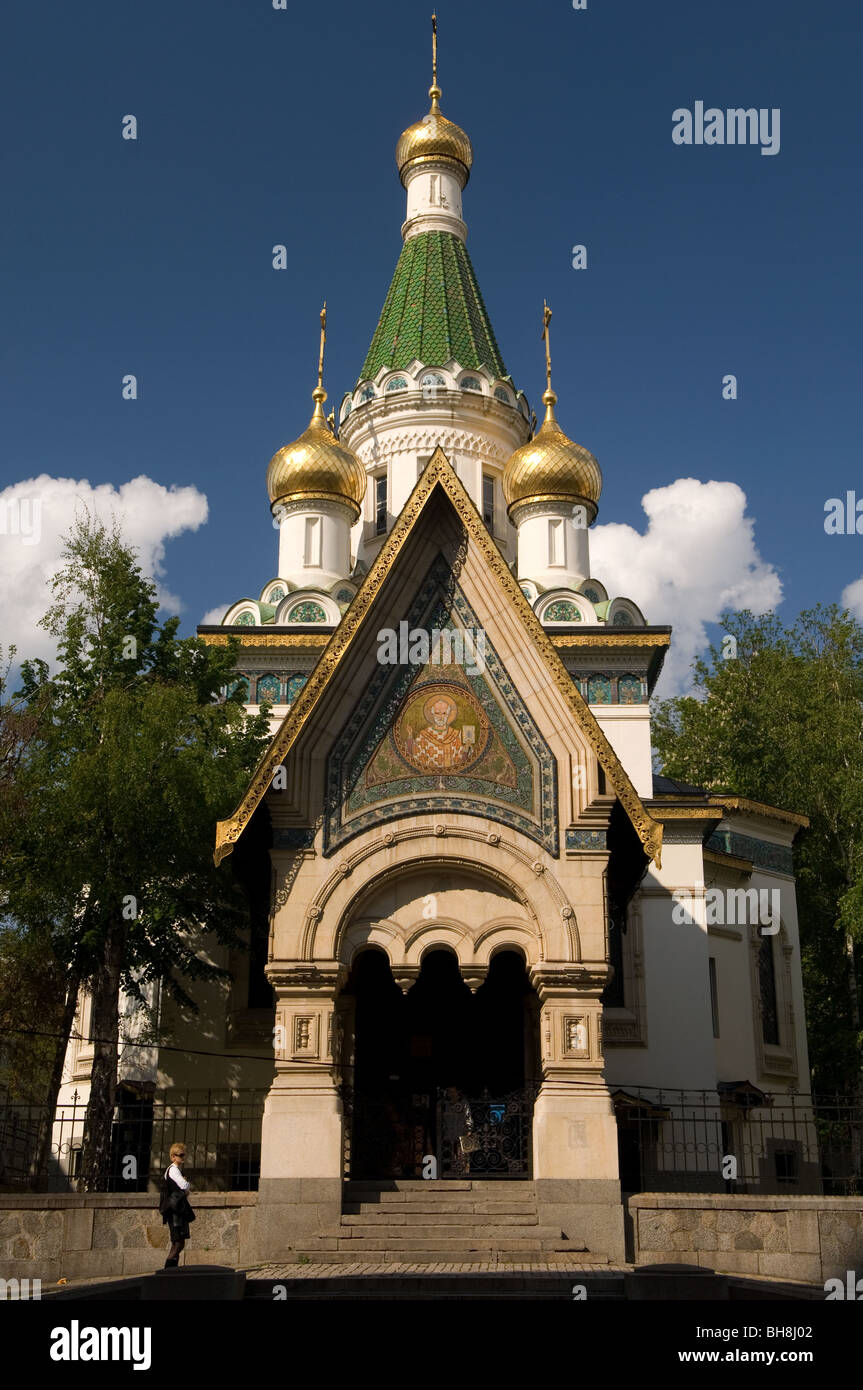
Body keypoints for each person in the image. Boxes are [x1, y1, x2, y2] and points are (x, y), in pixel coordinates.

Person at [159, 1142, 195, 1268]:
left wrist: (185, 1187)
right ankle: (168, 1269)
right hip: (174, 1210)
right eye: (179, 1155)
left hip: (178, 1209)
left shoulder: (177, 1170)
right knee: (177, 1242)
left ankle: (173, 1269)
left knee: (180, 1242)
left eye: (183, 1155)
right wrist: (186, 1185)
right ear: (173, 1156)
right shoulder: (173, 1170)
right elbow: (184, 1186)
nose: (182, 1157)